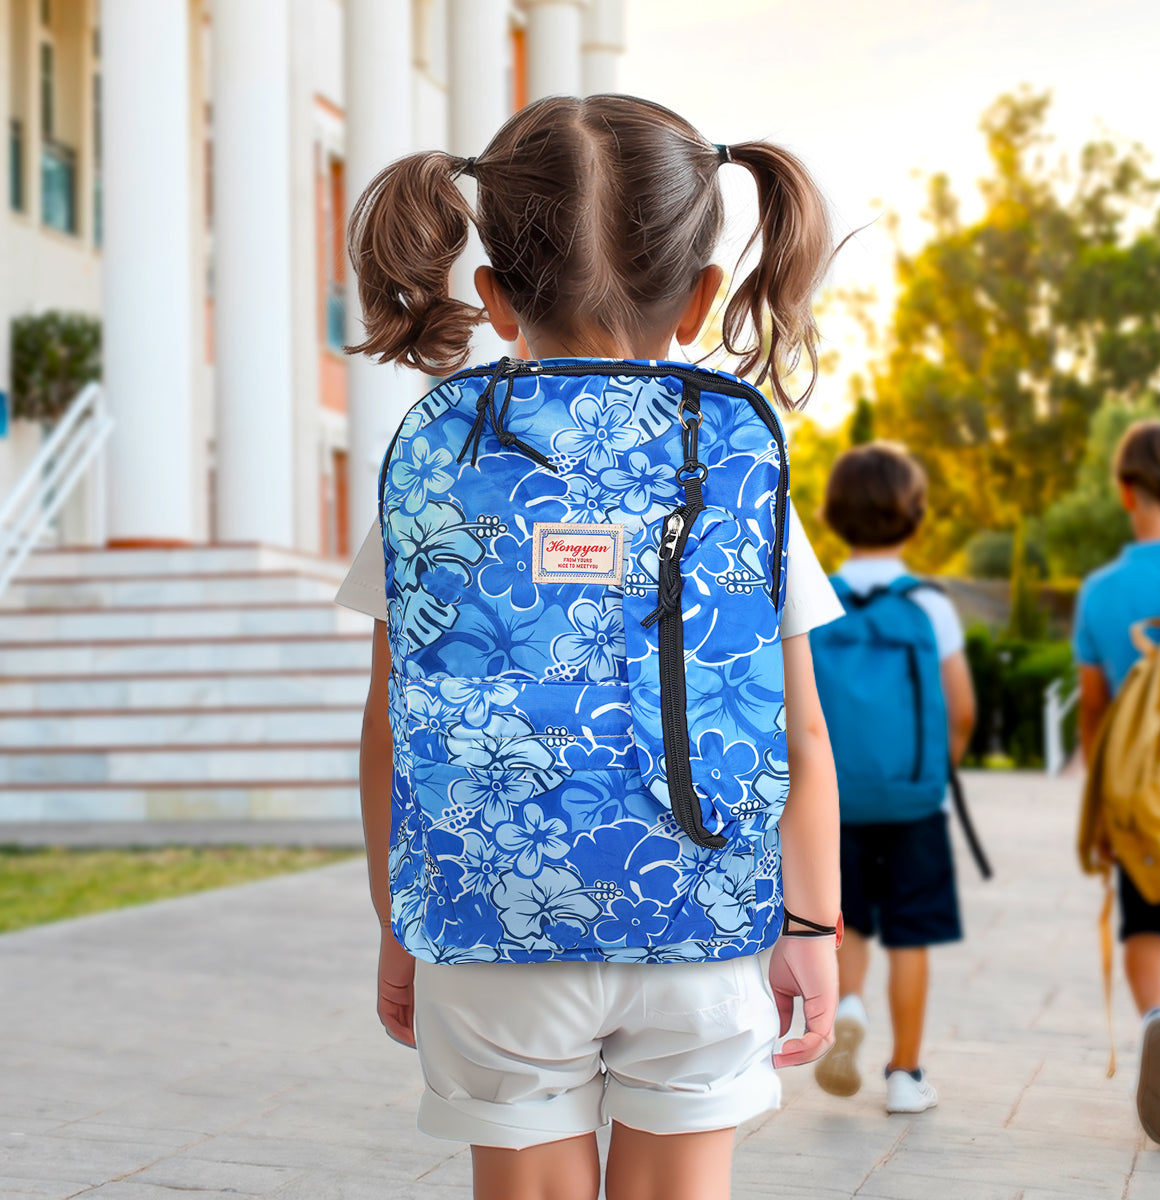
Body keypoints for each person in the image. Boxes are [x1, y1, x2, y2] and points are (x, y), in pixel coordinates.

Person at [333, 95, 844, 1200]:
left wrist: (401, 918)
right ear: (703, 296)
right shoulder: (738, 472)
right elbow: (797, 724)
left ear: (494, 300)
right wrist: (811, 923)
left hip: (485, 917)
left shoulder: (441, 464)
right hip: (701, 916)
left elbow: (388, 727)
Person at [809, 442, 976, 1115]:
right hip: (911, 802)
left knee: (850, 923)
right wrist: (935, 771)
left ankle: (848, 1004)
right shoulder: (930, 606)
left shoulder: (816, 600)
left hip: (833, 803)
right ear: (917, 517)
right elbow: (960, 709)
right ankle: (906, 1076)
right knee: (912, 936)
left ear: (832, 517)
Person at [1074, 419, 1160, 1145]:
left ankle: (1159, 1018)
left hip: (1144, 792)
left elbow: (1094, 709)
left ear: (1126, 491)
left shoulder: (1103, 592)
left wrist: (1107, 799)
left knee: (1148, 926)